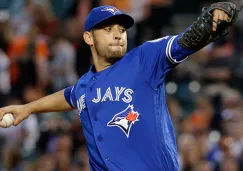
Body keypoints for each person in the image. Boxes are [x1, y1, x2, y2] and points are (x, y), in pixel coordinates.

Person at [0, 2, 241, 171]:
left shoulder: (144, 59)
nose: (118, 35)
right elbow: (68, 96)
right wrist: (28, 108)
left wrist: (211, 23)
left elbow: (184, 41)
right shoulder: (85, 84)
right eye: (108, 29)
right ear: (88, 38)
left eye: (122, 30)